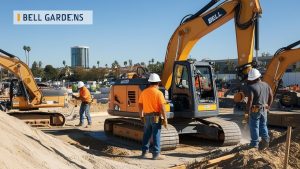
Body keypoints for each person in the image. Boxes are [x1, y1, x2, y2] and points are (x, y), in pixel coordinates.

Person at [138, 73, 168, 160]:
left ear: (150, 82)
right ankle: (156, 154)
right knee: (156, 134)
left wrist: (141, 116)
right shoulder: (159, 93)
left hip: (146, 116)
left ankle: (144, 153)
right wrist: (165, 118)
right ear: (158, 83)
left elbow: (140, 105)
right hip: (156, 117)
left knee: (146, 134)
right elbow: (162, 107)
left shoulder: (144, 92)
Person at [246, 68, 273, 150]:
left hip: (255, 109)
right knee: (263, 125)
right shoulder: (266, 85)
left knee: (254, 126)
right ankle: (265, 142)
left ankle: (254, 144)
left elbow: (250, 101)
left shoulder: (251, 87)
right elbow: (271, 96)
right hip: (264, 108)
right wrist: (269, 106)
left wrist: (248, 111)